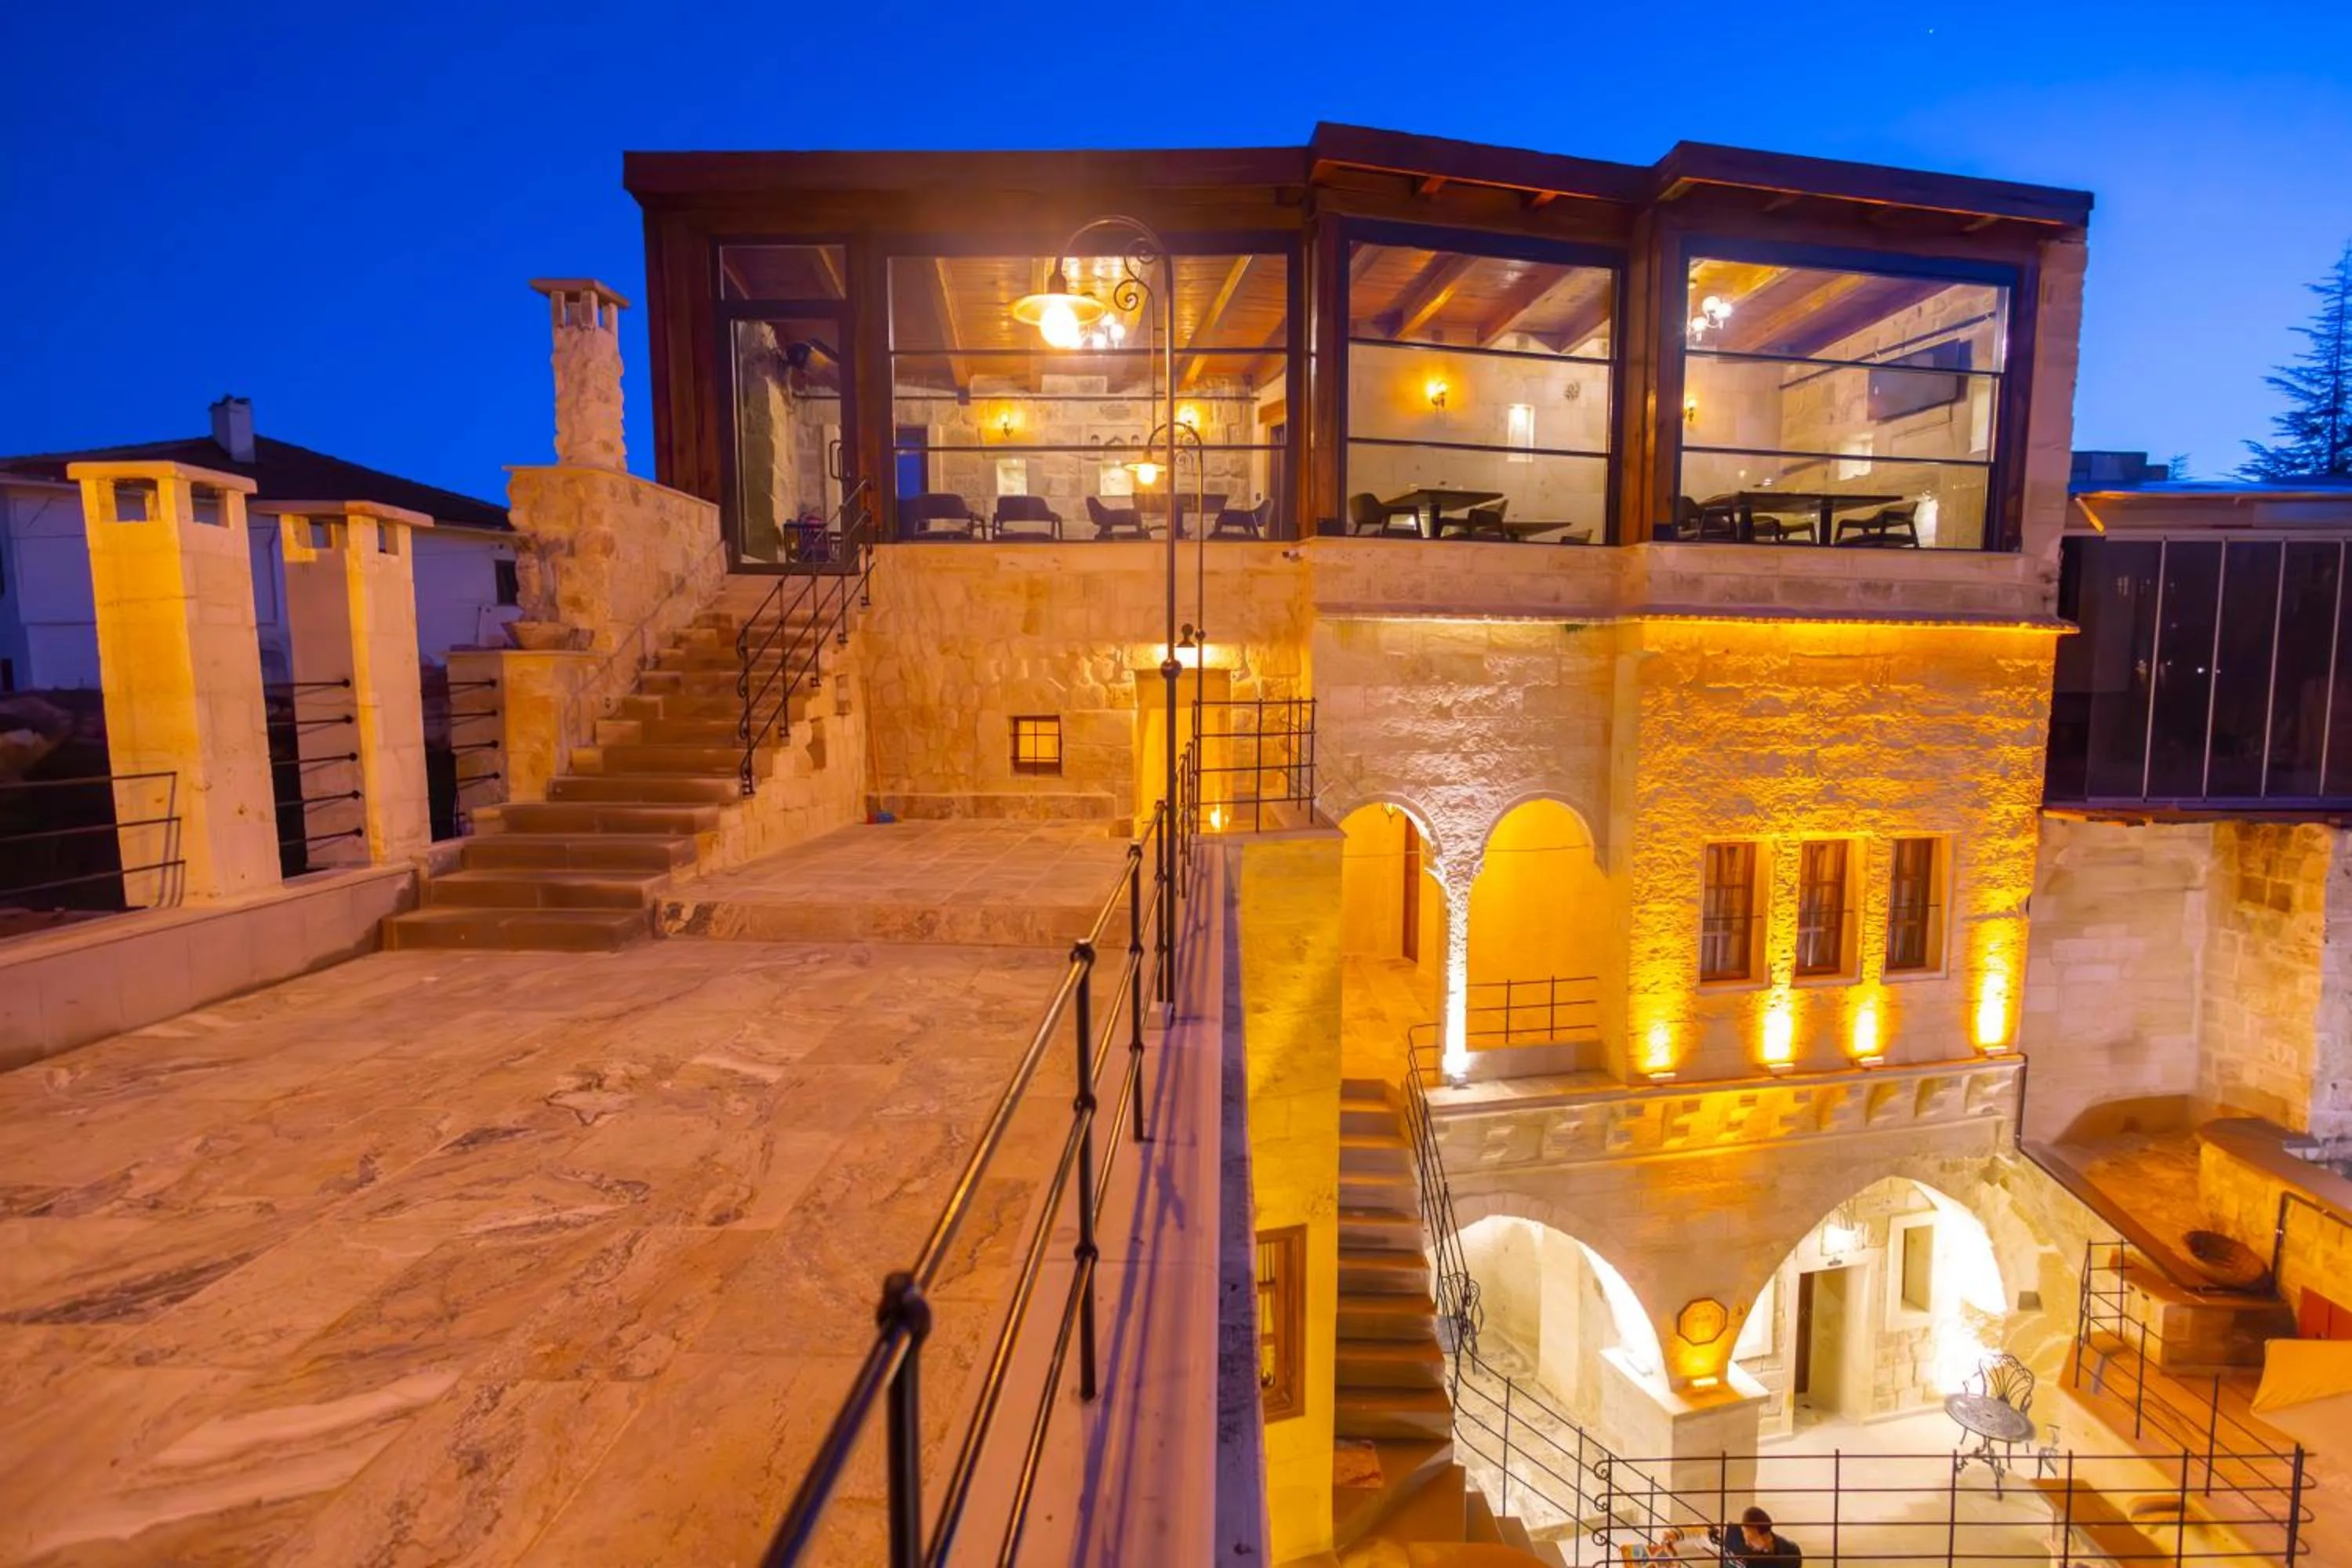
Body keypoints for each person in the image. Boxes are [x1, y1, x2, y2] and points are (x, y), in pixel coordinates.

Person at [1706, 1507, 1801, 1565]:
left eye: (1751, 1539)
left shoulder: (1789, 1554)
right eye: (1743, 1533)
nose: (1747, 1542)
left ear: (1766, 1536)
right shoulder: (1731, 1533)